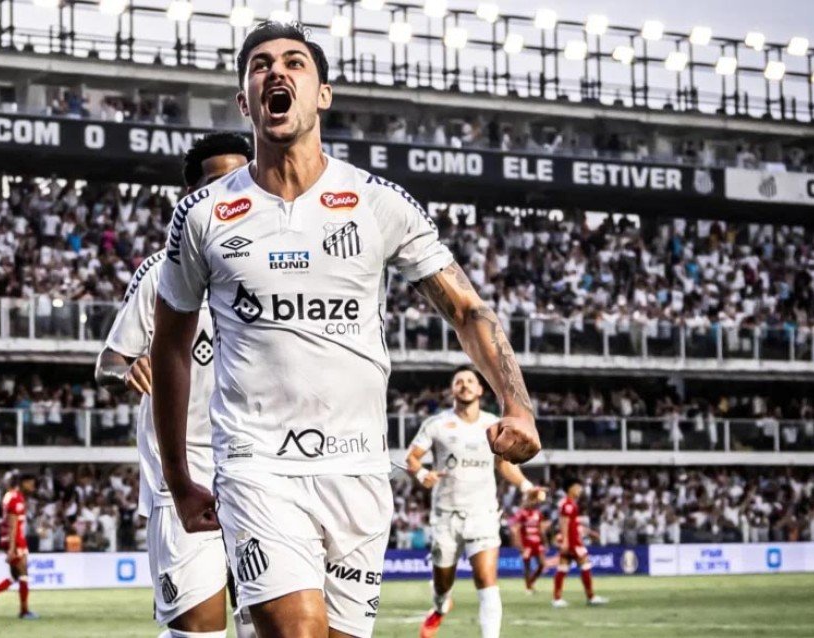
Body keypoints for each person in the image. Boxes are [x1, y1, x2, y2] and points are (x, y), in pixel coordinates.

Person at [151, 20, 539, 638]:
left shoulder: (377, 201)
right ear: (244, 101)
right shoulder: (201, 215)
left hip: (358, 470)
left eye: (294, 63)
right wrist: (178, 479)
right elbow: (169, 347)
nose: (276, 72)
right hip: (256, 465)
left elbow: (467, 310)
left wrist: (517, 405)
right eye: (260, 66)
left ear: (323, 93)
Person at [96, 132, 255, 638]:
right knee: (198, 634)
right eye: (217, 182)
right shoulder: (160, 273)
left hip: (263, 470)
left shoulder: (280, 267)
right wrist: (126, 372)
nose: (231, 190)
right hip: (186, 473)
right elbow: (109, 360)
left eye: (241, 179)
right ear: (192, 195)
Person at [405, 367, 538, 638]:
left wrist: (526, 486)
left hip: (482, 513)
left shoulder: (494, 424)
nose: (465, 385)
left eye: (470, 381)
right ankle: (441, 605)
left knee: (486, 580)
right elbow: (412, 457)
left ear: (479, 389)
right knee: (442, 584)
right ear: (452, 390)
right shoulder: (436, 424)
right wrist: (421, 474)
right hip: (446, 515)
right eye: (459, 382)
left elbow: (504, 464)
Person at [0, 473, 38, 619]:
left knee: (15, 576)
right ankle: (24, 611)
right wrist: (11, 548)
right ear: (23, 483)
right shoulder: (16, 499)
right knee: (24, 574)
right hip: (15, 540)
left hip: (15, 539)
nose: (33, 487)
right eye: (31, 484)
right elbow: (12, 524)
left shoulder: (11, 496)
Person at [552, 478, 608, 608]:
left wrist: (589, 532)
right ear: (570, 489)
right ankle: (591, 597)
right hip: (572, 542)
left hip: (572, 540)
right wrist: (565, 541)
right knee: (585, 565)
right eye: (577, 487)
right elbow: (564, 523)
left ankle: (557, 599)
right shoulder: (568, 504)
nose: (580, 490)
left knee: (563, 568)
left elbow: (574, 524)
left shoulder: (571, 503)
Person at [510, 489, 549, 594]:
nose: (534, 503)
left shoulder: (538, 514)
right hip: (526, 543)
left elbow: (541, 529)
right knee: (527, 566)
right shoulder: (522, 514)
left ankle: (531, 582)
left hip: (537, 542)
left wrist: (545, 542)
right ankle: (528, 588)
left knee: (542, 564)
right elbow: (516, 529)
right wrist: (519, 544)